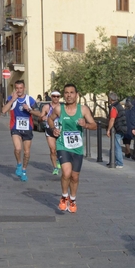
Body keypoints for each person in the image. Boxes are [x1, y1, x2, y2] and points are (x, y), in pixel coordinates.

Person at [48, 83, 98, 214]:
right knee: (66, 173)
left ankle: (73, 200)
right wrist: (54, 129)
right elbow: (50, 119)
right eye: (66, 93)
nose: (68, 95)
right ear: (63, 95)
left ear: (76, 95)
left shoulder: (83, 110)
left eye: (71, 92)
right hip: (63, 145)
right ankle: (64, 197)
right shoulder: (59, 109)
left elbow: (94, 125)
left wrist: (85, 124)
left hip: (77, 148)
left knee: (75, 177)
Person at [1, 80, 37, 181]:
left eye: (21, 88)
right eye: (17, 88)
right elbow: (3, 110)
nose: (19, 90)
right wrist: (12, 100)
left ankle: (24, 170)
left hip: (27, 128)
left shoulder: (30, 100)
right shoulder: (11, 98)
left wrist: (29, 110)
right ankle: (19, 164)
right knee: (18, 149)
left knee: (27, 152)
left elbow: (38, 113)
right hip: (15, 127)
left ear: (24, 88)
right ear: (15, 89)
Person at [40, 91, 62, 174]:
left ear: (59, 97)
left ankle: (59, 159)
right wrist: (43, 118)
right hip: (50, 130)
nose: (55, 98)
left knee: (60, 149)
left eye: (57, 96)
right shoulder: (46, 107)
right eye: (54, 96)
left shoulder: (62, 107)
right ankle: (55, 168)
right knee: (52, 150)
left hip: (60, 130)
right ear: (51, 97)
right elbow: (40, 117)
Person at [105, 92, 127, 168]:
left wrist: (108, 129)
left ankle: (119, 163)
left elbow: (112, 119)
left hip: (118, 129)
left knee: (117, 146)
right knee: (114, 145)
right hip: (122, 127)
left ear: (110, 99)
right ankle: (112, 160)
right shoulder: (119, 106)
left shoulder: (114, 108)